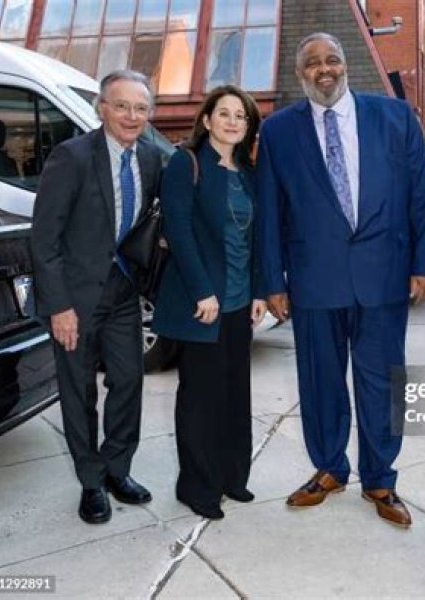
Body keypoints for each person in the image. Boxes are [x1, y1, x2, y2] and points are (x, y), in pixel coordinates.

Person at [257, 33, 425, 528]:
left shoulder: (395, 118)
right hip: (313, 280)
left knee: (381, 382)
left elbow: (420, 196)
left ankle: (380, 478)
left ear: (345, 65)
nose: (324, 69)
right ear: (300, 74)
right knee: (320, 381)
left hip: (384, 275)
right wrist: (272, 281)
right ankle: (329, 468)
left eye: (332, 59)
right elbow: (270, 210)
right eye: (312, 63)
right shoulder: (278, 131)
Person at [31, 70, 161, 524]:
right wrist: (59, 306)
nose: (131, 116)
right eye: (121, 106)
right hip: (75, 299)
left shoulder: (150, 158)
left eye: (140, 108)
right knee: (79, 392)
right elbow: (44, 239)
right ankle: (91, 482)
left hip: (124, 291)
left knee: (128, 381)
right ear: (102, 108)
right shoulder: (72, 156)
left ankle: (117, 469)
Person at [152, 86, 266, 520]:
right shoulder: (186, 163)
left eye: (241, 116)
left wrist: (258, 291)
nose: (233, 121)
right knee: (201, 398)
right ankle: (197, 487)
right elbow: (179, 230)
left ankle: (232, 477)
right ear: (207, 120)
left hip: (239, 302)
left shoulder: (248, 172)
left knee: (235, 393)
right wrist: (203, 290)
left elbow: (254, 239)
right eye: (224, 113)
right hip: (203, 303)